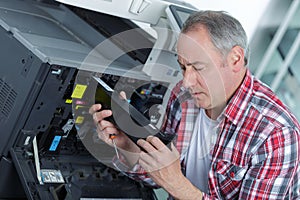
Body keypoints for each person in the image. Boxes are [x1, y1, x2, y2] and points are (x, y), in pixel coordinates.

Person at [89, 11, 300, 199]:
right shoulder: (183, 96)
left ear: (235, 59)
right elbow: (161, 175)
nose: (187, 82)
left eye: (198, 67)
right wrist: (127, 145)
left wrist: (179, 186)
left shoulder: (277, 135)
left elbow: (174, 181)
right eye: (183, 67)